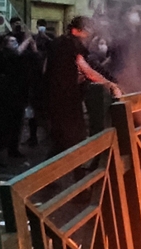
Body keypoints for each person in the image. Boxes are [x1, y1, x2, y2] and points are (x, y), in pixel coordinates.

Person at [44, 16, 121, 156]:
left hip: (60, 97)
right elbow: (87, 70)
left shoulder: (61, 44)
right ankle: (60, 172)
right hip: (66, 99)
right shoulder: (69, 45)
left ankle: (66, 170)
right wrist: (110, 84)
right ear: (77, 30)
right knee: (71, 138)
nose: (90, 33)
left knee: (63, 139)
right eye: (88, 29)